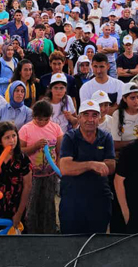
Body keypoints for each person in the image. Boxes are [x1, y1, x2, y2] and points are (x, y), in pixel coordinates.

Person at [59, 99, 116, 234]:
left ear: (100, 118)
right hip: (73, 200)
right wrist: (92, 164)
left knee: (96, 242)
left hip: (99, 199)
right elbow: (65, 167)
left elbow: (111, 166)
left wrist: (80, 166)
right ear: (78, 117)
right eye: (86, 114)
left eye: (94, 115)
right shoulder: (70, 137)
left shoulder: (106, 137)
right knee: (71, 242)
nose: (90, 119)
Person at [18, 100, 64, 233]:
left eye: (46, 119)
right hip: (32, 175)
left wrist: (58, 167)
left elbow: (60, 151)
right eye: (39, 119)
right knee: (32, 204)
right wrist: (35, 146)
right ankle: (31, 231)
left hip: (50, 175)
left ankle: (49, 230)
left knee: (48, 203)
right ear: (34, 116)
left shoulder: (55, 128)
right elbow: (19, 150)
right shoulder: (26, 128)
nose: (42, 122)